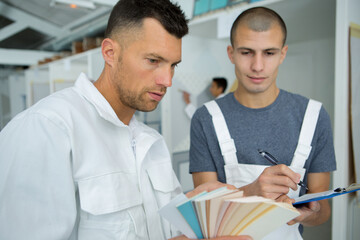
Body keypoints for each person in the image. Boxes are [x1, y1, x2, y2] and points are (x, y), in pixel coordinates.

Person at [0, 1, 253, 240]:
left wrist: (194, 206)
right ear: (110, 52)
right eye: (153, 61)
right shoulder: (46, 129)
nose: (167, 80)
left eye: (173, 65)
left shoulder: (151, 143)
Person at [189, 6, 336, 240]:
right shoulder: (205, 118)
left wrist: (309, 213)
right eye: (247, 52)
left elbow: (323, 211)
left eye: (269, 53)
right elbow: (203, 214)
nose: (257, 66)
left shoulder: (314, 116)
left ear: (283, 53)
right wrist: (251, 192)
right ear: (231, 53)